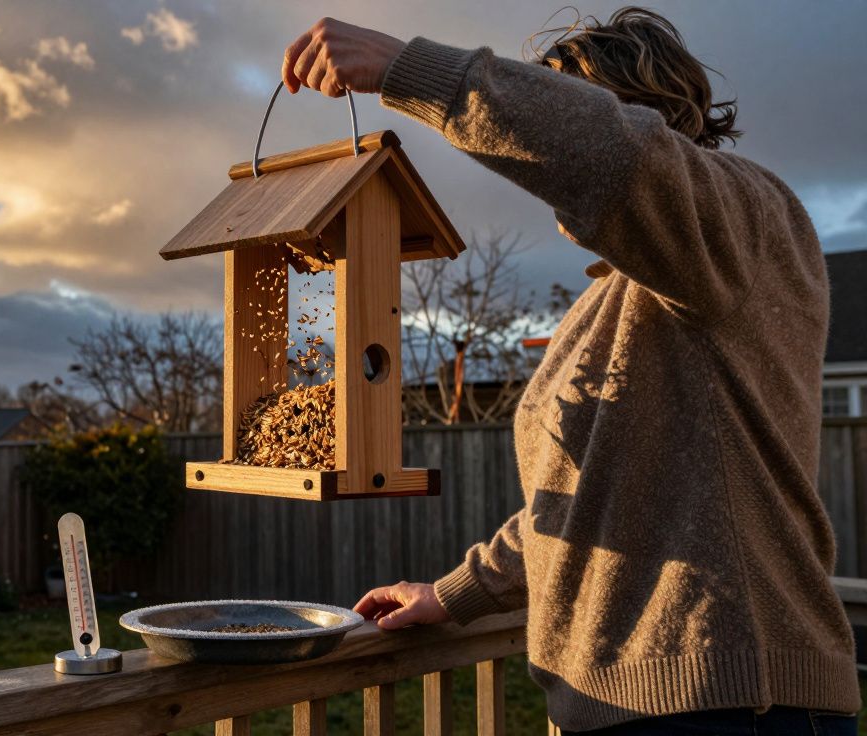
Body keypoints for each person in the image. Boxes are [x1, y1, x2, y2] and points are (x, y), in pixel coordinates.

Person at [278, 8, 861, 735]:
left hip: (729, 703)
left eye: (559, 106)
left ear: (637, 114)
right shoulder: (618, 298)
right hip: (614, 707)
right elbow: (586, 499)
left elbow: (613, 155)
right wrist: (453, 594)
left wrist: (405, 68)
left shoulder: (744, 217)